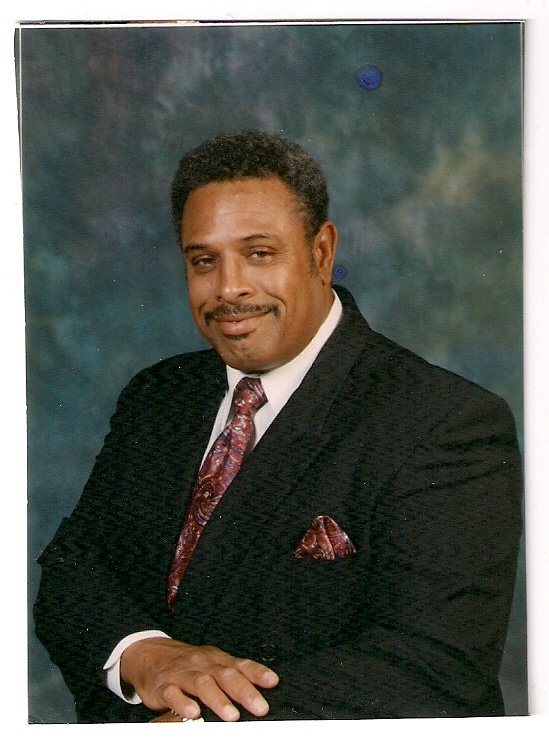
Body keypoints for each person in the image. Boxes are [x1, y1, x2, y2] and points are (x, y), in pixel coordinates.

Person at [34, 130, 523, 723]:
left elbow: (432, 667)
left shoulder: (445, 422)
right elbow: (74, 572)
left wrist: (193, 728)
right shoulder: (158, 395)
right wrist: (144, 654)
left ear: (321, 252)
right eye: (203, 261)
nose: (229, 289)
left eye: (259, 253)